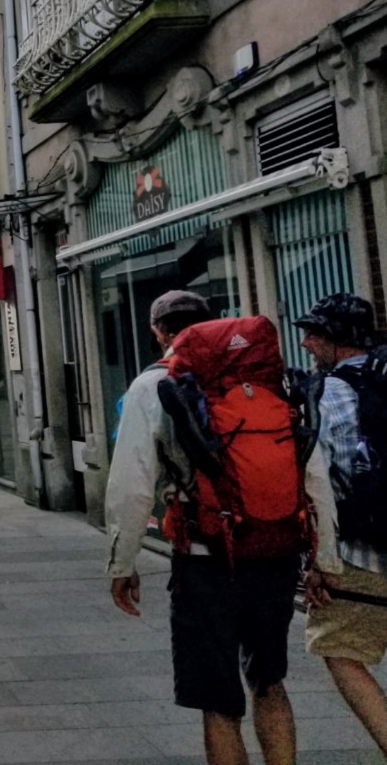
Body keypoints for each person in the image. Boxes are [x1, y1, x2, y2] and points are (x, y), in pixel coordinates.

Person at [105, 290, 312, 765]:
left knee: (217, 701)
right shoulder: (266, 379)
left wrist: (122, 562)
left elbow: (131, 487)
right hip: (273, 553)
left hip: (204, 561)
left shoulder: (150, 386)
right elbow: (308, 468)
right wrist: (323, 558)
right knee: (269, 681)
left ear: (159, 333)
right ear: (215, 322)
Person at [297, 294, 387, 753]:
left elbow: (323, 484)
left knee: (341, 651)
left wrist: (321, 561)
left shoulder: (328, 393)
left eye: (314, 334)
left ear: (337, 340)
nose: (307, 343)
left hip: (365, 555)